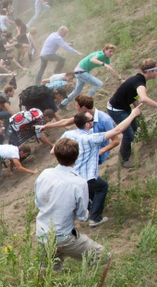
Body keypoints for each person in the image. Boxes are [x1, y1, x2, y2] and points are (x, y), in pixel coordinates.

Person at [59, 106, 143, 226]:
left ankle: (89, 209)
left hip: (72, 174)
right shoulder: (91, 138)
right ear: (87, 124)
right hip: (86, 176)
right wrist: (133, 114)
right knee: (102, 187)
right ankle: (95, 218)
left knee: (89, 189)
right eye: (91, 120)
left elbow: (53, 151)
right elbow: (118, 130)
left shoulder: (68, 134)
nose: (93, 121)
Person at [35, 138, 109, 272]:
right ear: (77, 156)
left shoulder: (45, 174)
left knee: (48, 271)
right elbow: (82, 216)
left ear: (56, 155)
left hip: (43, 233)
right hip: (63, 235)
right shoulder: (79, 183)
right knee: (104, 257)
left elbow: (38, 201)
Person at [107, 59, 157, 167]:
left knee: (134, 126)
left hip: (124, 107)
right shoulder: (140, 83)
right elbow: (144, 98)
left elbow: (133, 94)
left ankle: (125, 150)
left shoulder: (138, 79)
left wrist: (136, 107)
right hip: (116, 109)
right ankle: (124, 160)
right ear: (150, 72)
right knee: (129, 134)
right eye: (156, 70)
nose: (156, 73)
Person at [41, 94, 118, 164]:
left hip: (96, 154)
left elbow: (116, 141)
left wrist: (101, 151)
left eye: (77, 106)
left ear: (84, 108)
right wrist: (47, 126)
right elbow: (66, 122)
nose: (75, 108)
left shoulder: (105, 120)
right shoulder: (83, 115)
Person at [59, 44, 123, 109]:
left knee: (77, 91)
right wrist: (104, 64)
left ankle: (62, 104)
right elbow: (92, 60)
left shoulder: (106, 59)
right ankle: (85, 101)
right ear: (105, 50)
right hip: (81, 72)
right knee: (99, 84)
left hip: (80, 71)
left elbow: (111, 69)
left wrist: (120, 79)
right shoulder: (100, 54)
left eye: (112, 52)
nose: (111, 53)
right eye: (110, 51)